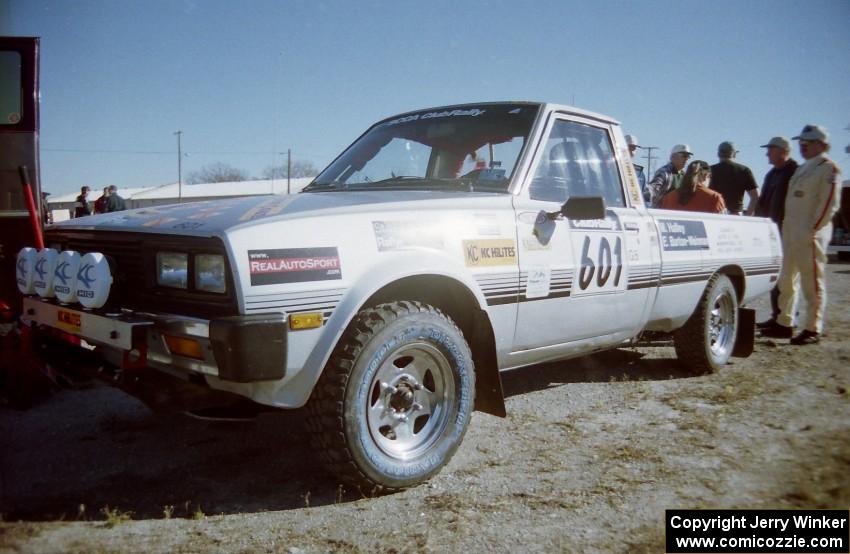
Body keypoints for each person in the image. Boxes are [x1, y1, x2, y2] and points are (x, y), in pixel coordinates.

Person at [761, 125, 842, 345]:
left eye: (806, 143)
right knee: (786, 280)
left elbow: (829, 205)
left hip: (810, 234)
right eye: (801, 144)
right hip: (790, 232)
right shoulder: (804, 168)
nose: (802, 147)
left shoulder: (828, 169)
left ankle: (812, 328)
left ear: (821, 144)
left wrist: (813, 229)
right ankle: (784, 322)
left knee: (811, 283)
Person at [754, 136, 798, 329]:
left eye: (770, 150)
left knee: (787, 279)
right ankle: (777, 316)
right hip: (772, 233)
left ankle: (786, 319)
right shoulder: (772, 174)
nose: (767, 154)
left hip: (788, 232)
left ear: (783, 151)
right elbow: (762, 202)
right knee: (777, 276)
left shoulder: (795, 172)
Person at [709, 141, 759, 215]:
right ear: (734, 154)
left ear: (718, 154)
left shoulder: (709, 170)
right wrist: (748, 216)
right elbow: (756, 196)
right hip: (735, 215)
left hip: (714, 214)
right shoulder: (744, 170)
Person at [659, 160, 726, 213]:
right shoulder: (715, 198)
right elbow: (721, 226)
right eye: (710, 176)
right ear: (706, 176)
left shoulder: (668, 198)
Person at [625, 134, 647, 198]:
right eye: (630, 147)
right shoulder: (614, 169)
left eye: (634, 148)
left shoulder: (639, 173)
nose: (632, 150)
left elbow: (644, 197)